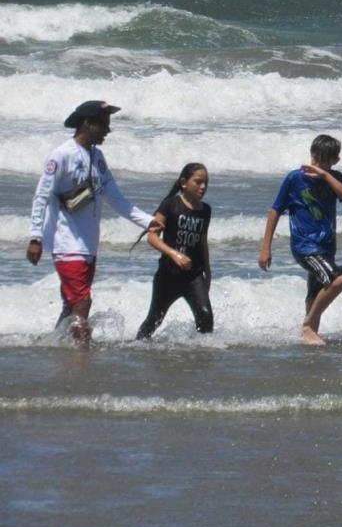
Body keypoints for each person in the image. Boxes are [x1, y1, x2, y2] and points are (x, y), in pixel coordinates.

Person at [26, 100, 161, 349]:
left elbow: (116, 198)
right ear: (88, 124)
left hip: (89, 246)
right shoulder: (61, 155)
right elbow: (41, 196)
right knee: (83, 303)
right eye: (104, 125)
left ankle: (51, 347)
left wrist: (149, 221)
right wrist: (35, 237)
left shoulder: (97, 157)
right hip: (66, 244)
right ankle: (82, 356)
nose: (108, 131)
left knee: (71, 305)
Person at [258, 135, 342, 346]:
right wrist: (266, 248)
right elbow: (275, 210)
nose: (318, 164)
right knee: (337, 280)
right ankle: (308, 326)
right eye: (317, 158)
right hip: (305, 247)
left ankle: (310, 339)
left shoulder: (334, 177)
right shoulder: (295, 179)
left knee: (314, 293)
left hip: (326, 246)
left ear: (335, 161)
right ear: (311, 154)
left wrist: (326, 175)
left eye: (326, 161)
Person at [135, 163, 214, 339]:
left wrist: (208, 272)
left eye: (206, 183)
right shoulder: (170, 205)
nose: (203, 187)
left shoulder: (206, 210)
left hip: (194, 276)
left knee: (206, 317)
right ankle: (137, 347)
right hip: (168, 275)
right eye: (198, 182)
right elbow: (152, 237)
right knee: (155, 319)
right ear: (184, 183)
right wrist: (174, 254)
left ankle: (200, 357)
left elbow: (202, 241)